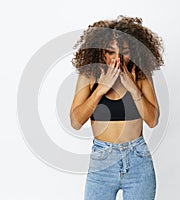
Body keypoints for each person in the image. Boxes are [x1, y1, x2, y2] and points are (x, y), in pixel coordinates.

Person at [70, 15, 164, 200]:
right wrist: (101, 90)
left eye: (125, 52)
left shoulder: (141, 76)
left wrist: (132, 87)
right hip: (102, 164)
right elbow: (75, 121)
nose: (118, 59)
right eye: (111, 52)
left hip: (138, 161)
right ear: (101, 52)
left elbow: (153, 121)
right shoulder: (89, 76)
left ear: (134, 52)